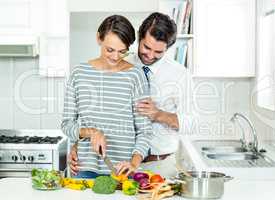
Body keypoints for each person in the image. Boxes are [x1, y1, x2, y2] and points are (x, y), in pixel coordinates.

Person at [69, 12, 196, 178]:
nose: (150, 56)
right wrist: (76, 145)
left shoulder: (180, 75)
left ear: (168, 48)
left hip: (159, 164)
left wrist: (159, 114)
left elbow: (191, 123)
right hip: (119, 163)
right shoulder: (119, 61)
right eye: (146, 47)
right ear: (139, 38)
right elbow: (96, 113)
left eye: (158, 52)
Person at [61, 15, 153, 179]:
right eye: (110, 50)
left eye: (122, 52)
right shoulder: (79, 74)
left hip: (123, 172)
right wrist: (91, 132)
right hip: (84, 169)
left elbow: (145, 131)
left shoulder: (136, 76)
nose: (115, 57)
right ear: (98, 38)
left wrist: (134, 162)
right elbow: (67, 125)